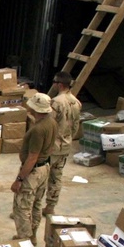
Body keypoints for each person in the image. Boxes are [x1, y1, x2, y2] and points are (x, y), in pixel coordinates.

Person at [11, 93, 57, 244]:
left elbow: (32, 157)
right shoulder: (51, 122)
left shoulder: (38, 130)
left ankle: (24, 240)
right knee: (36, 204)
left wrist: (19, 179)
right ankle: (32, 235)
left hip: (34, 170)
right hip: (45, 168)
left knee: (22, 206)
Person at [44, 72, 82, 216]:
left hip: (53, 146)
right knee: (56, 177)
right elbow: (76, 126)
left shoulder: (56, 102)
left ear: (59, 84)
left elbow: (49, 125)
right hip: (66, 145)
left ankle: (31, 208)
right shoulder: (76, 102)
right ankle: (50, 207)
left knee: (39, 177)